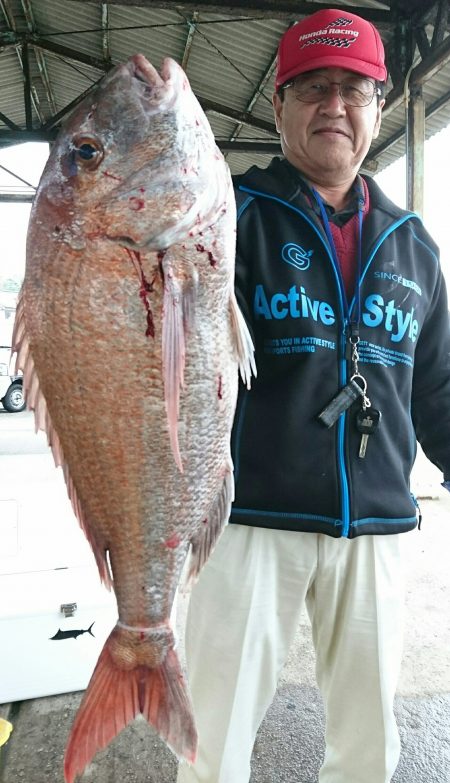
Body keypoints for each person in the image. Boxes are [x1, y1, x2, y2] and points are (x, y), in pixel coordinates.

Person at [177, 8, 450, 783]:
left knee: (370, 748)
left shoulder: (414, 243)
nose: (335, 105)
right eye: (313, 88)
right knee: (211, 738)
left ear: (380, 106)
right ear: (280, 106)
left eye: (353, 89)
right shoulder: (227, 217)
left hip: (377, 527)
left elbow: (438, 385)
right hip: (249, 519)